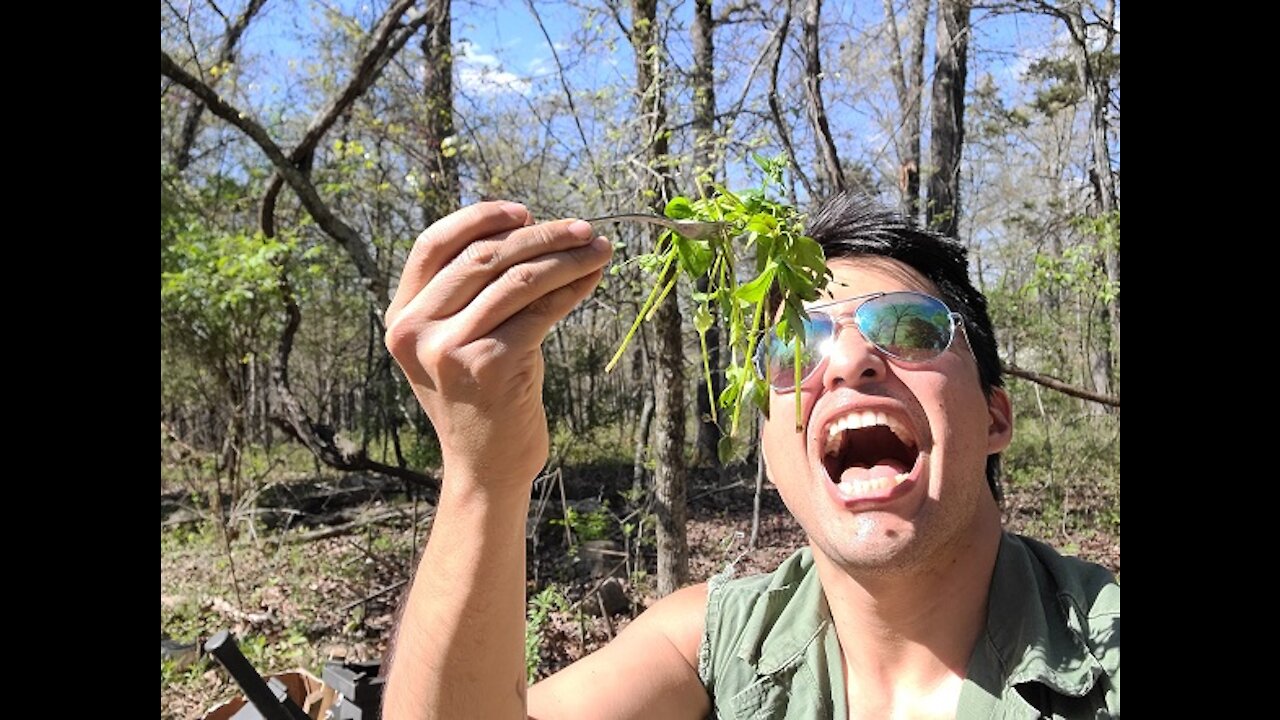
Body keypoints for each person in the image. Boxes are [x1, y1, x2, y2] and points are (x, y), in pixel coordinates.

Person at [380, 192, 1120, 719]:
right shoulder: (708, 647)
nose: (847, 363)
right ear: (771, 451)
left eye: (909, 327)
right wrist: (485, 475)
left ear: (995, 415)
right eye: (793, 347)